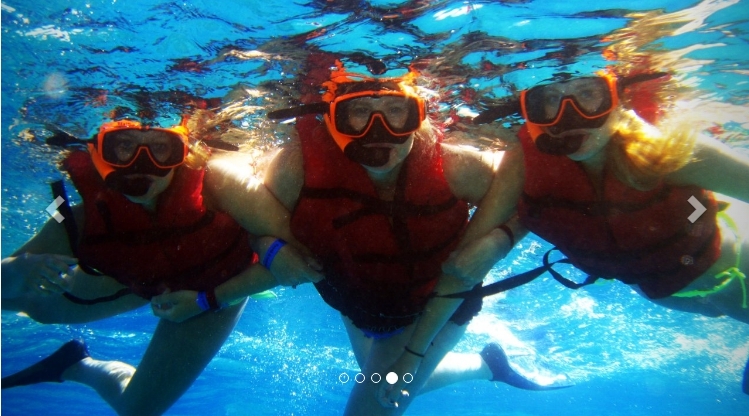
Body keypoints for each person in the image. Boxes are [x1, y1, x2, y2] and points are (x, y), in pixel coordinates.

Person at [212, 62, 570, 416]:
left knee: (376, 400)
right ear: (333, 118)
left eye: (397, 111)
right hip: (358, 302)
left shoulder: (455, 167)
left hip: (429, 303)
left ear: (418, 116)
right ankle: (488, 365)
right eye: (359, 113)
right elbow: (256, 227)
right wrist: (272, 250)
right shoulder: (296, 168)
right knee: (392, 381)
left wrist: (499, 241)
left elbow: (532, 197)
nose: (378, 130)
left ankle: (480, 366)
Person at [451, 70, 749, 391]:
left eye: (588, 93)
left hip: (733, 270)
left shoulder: (676, 154)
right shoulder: (532, 166)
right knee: (716, 311)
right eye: (549, 99)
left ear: (618, 99)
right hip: (664, 290)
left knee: (729, 308)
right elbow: (537, 208)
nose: (569, 115)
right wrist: (500, 239)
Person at [0, 118, 317, 415]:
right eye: (124, 147)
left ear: (184, 153)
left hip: (216, 288)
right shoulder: (81, 219)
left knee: (137, 410)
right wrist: (18, 270)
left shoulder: (220, 182)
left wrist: (212, 295)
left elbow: (303, 259)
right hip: (135, 281)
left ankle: (77, 365)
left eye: (162, 148)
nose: (142, 164)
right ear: (98, 152)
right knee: (33, 306)